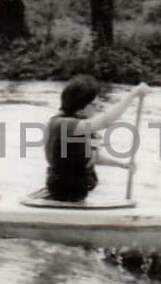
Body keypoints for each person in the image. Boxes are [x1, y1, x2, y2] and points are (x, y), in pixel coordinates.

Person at [42, 75, 148, 203]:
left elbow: (93, 158)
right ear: (80, 105)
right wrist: (133, 94)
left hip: (76, 194)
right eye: (93, 104)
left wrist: (123, 165)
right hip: (64, 194)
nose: (97, 107)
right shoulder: (63, 124)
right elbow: (105, 121)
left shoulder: (79, 126)